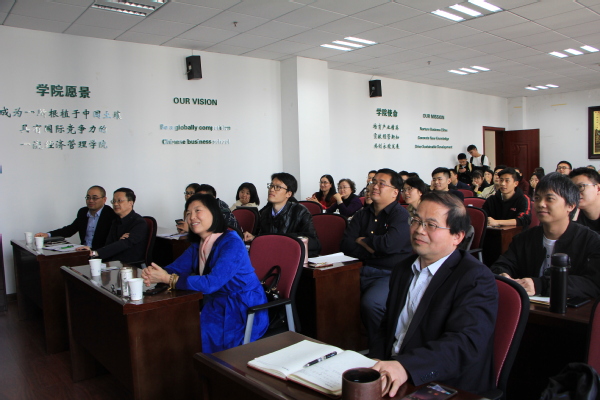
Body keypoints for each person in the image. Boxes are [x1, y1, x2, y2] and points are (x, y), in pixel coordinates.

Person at [370, 192, 498, 396]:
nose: (419, 230)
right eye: (416, 220)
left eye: (431, 225)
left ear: (457, 236)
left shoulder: (475, 278)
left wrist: (405, 366)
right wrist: (376, 362)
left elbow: (464, 344)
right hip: (394, 373)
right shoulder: (403, 269)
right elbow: (387, 326)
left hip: (444, 382)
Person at [141, 193, 268, 353]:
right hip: (216, 302)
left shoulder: (232, 243)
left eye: (197, 210)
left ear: (213, 213)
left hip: (241, 306)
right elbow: (176, 268)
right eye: (188, 213)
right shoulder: (199, 244)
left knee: (195, 335)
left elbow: (211, 283)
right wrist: (154, 272)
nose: (191, 217)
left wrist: (169, 279)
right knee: (175, 327)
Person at [491, 173, 600, 298]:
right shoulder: (524, 238)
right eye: (537, 198)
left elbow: (593, 284)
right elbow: (501, 265)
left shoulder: (591, 241)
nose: (541, 204)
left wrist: (540, 285)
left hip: (570, 308)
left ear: (570, 206)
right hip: (529, 306)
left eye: (550, 199)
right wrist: (503, 276)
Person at [340, 168, 412, 349]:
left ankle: (381, 348)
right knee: (333, 295)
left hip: (389, 274)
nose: (375, 186)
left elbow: (389, 245)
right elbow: (346, 245)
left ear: (395, 192)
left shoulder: (401, 215)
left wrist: (363, 241)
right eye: (373, 182)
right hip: (360, 269)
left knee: (371, 304)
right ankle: (348, 346)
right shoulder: (362, 214)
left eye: (382, 183)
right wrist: (375, 250)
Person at [243, 172, 321, 256]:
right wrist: (254, 237)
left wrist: (283, 239)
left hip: (290, 257)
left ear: (289, 194)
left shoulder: (300, 212)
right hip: (270, 255)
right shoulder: (265, 213)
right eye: (271, 186)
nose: (271, 189)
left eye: (278, 187)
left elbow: (314, 243)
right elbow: (266, 238)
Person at [77, 188, 148, 263]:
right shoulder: (115, 221)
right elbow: (109, 244)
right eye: (114, 201)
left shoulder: (139, 223)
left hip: (128, 264)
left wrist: (96, 253)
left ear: (130, 203)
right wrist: (92, 250)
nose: (115, 204)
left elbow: (124, 244)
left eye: (119, 201)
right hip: (111, 261)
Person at [35, 185, 116, 248]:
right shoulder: (83, 212)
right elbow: (70, 230)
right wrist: (48, 234)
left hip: (102, 254)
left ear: (104, 199)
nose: (90, 200)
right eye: (88, 197)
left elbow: (113, 240)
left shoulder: (111, 214)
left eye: (95, 198)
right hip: (83, 251)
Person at [570, 167, 600, 232]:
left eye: (580, 186)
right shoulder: (572, 215)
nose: (575, 192)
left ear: (598, 189)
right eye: (572, 189)